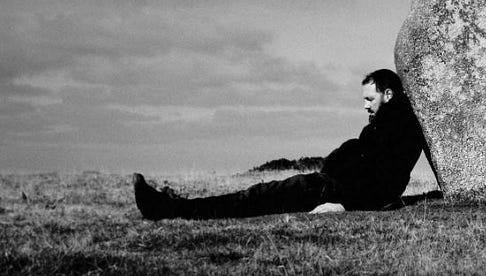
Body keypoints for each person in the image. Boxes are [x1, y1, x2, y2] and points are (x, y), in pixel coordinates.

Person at [133, 69, 434, 220]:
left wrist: (344, 206)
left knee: (256, 197)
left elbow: (385, 183)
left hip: (329, 190)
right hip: (327, 184)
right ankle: (175, 204)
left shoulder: (398, 129)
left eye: (370, 98)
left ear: (389, 95)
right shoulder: (390, 124)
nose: (365, 106)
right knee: (257, 195)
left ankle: (168, 208)